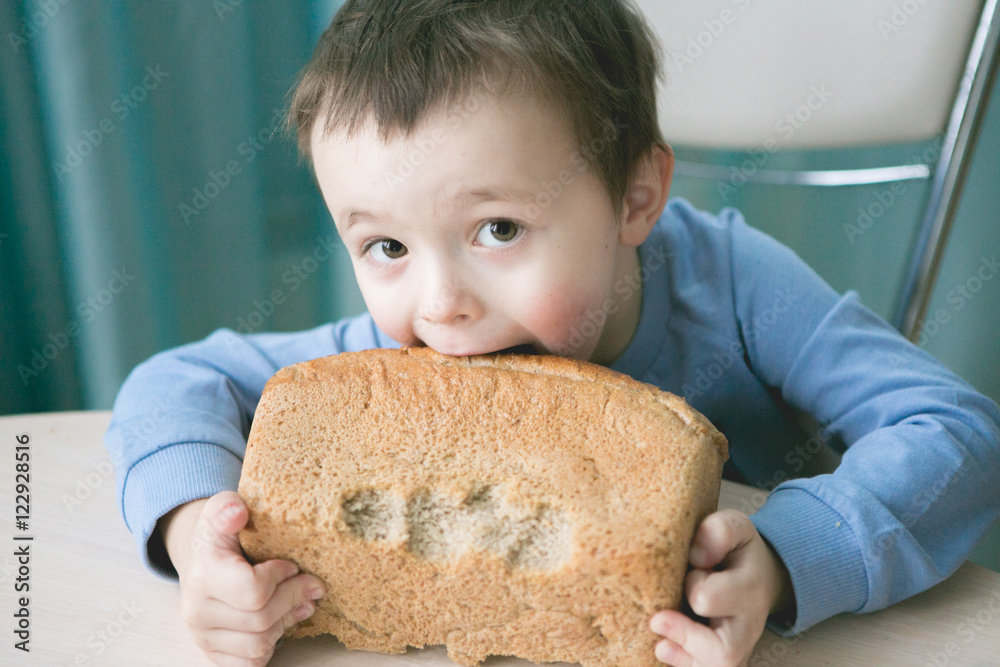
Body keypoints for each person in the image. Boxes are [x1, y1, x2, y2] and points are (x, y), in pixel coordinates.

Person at [104, 1, 1000, 665]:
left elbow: (958, 432)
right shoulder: (402, 355)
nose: (442, 301)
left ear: (635, 198)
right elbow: (174, 383)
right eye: (385, 245)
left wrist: (785, 553)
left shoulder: (731, 283)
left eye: (498, 230)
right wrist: (194, 534)